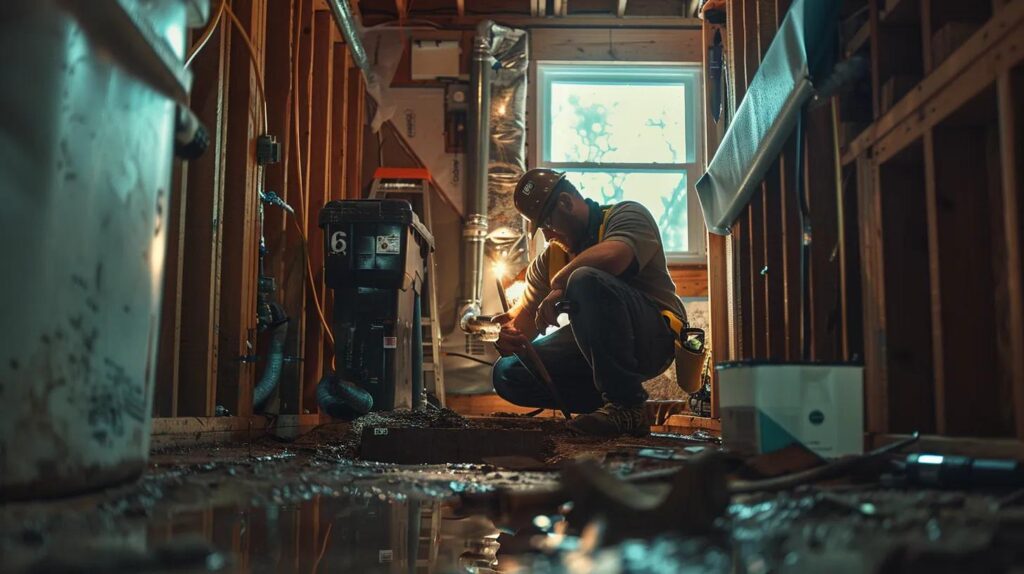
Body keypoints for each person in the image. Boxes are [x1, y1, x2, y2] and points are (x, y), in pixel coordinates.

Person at [492, 168, 688, 437]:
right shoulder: (550, 259)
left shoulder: (626, 215)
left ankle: (627, 406)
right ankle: (608, 410)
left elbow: (616, 255)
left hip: (654, 338)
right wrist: (509, 338)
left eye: (548, 223)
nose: (548, 236)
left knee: (584, 278)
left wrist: (560, 283)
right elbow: (524, 323)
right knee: (508, 372)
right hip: (596, 350)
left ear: (566, 202)